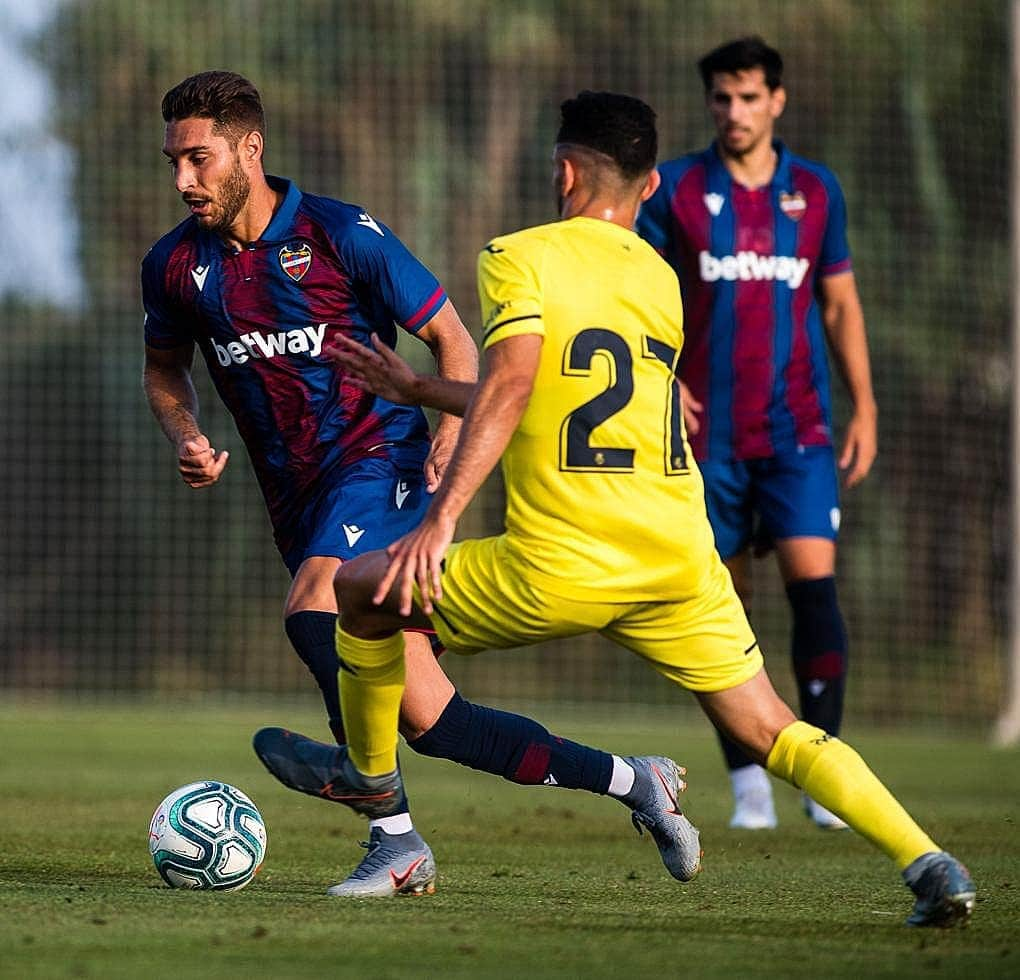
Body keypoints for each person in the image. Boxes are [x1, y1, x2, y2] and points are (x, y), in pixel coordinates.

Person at [258, 89, 974, 928]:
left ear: (563, 170)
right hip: (679, 559)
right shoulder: (661, 278)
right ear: (652, 186)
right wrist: (422, 387)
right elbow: (564, 393)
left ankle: (380, 807)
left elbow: (518, 382)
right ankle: (928, 861)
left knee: (359, 589)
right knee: (773, 725)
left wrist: (443, 515)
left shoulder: (519, 256)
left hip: (562, 560)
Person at [143, 71, 700, 899]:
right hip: (297, 502)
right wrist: (187, 432)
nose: (184, 180)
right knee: (434, 723)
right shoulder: (175, 265)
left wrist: (445, 435)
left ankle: (391, 834)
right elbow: (164, 368)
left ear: (249, 149)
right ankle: (637, 783)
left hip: (381, 466)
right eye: (174, 162)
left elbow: (451, 338)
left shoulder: (339, 234)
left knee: (314, 605)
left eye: (199, 158)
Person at [635, 37, 878, 831]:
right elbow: (635, 293)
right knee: (722, 610)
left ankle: (823, 776)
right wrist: (663, 382)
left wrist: (866, 406)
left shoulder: (816, 190)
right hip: (708, 441)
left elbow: (838, 305)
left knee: (815, 594)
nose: (734, 112)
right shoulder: (676, 189)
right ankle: (748, 787)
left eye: (748, 97)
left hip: (798, 431)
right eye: (721, 99)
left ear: (776, 100)